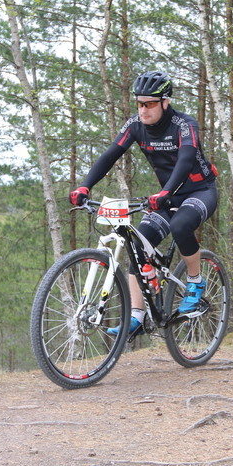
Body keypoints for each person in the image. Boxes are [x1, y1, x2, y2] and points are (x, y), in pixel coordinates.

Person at [69, 70, 218, 338]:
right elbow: (110, 155)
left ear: (165, 102)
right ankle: (137, 315)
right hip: (166, 195)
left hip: (199, 191)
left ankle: (195, 281)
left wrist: (167, 191)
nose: (143, 109)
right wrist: (84, 186)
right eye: (139, 103)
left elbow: (185, 160)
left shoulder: (184, 125)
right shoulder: (135, 125)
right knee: (137, 242)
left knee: (181, 225)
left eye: (149, 103)